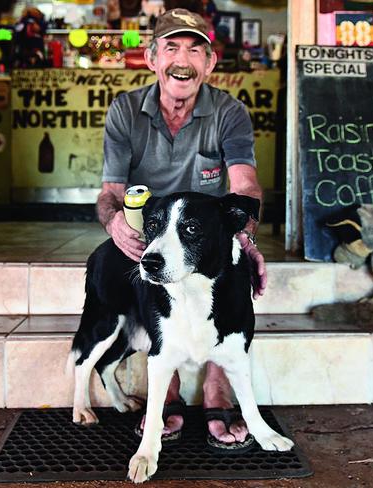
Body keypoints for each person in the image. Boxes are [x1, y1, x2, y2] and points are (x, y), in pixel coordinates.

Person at [97, 8, 266, 451]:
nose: (182, 60)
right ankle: (166, 385)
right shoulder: (125, 110)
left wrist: (245, 237)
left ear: (210, 64)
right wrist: (116, 224)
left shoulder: (229, 112)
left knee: (234, 266)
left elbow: (244, 184)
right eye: (171, 47)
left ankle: (217, 386)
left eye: (195, 50)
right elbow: (110, 192)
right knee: (146, 269)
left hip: (205, 232)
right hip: (149, 228)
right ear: (152, 58)